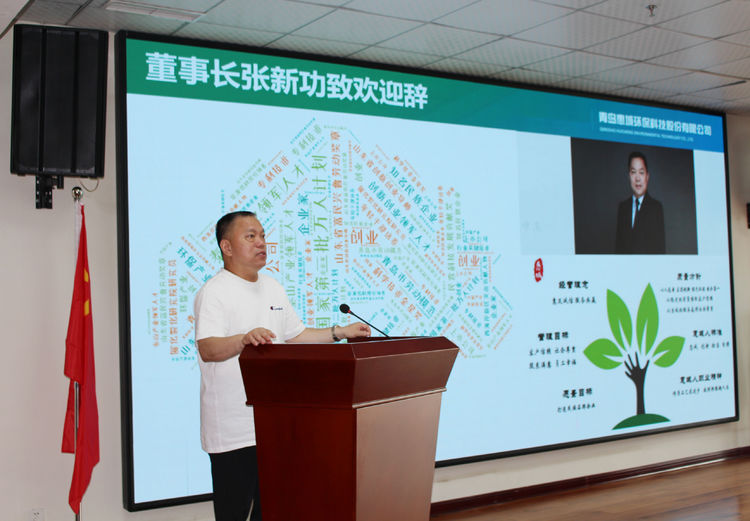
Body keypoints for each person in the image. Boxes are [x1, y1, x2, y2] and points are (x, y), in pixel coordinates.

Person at [194, 210, 371, 521]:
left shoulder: (272, 286)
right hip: (233, 429)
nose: (261, 242)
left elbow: (296, 335)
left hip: (274, 423)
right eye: (251, 236)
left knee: (273, 510)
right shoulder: (214, 291)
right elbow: (208, 349)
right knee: (234, 513)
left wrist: (339, 332)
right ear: (227, 246)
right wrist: (243, 339)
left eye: (263, 235)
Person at [615, 151, 665, 254]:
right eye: (633, 172)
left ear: (647, 176)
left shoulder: (656, 208)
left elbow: (660, 251)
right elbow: (618, 250)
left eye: (641, 172)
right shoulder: (623, 208)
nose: (637, 178)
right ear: (629, 176)